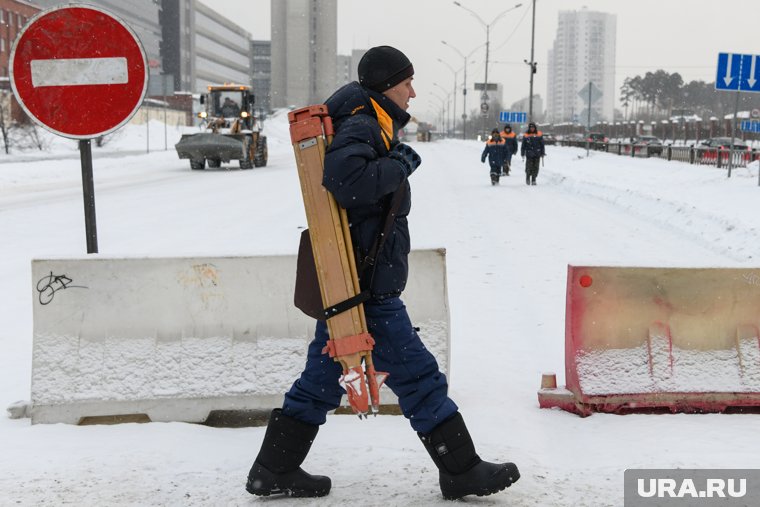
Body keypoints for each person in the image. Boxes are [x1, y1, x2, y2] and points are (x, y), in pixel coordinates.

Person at [246, 45, 520, 501]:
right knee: (418, 376)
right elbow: (345, 180)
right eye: (407, 82)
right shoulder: (363, 122)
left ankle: (273, 469)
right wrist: (400, 162)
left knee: (320, 381)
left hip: (353, 280)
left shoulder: (366, 118)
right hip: (365, 286)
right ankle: (461, 470)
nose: (413, 92)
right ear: (387, 84)